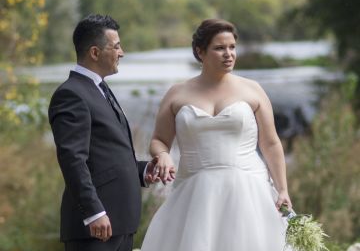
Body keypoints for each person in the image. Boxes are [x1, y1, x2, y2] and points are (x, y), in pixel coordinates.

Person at [141, 19, 293, 251]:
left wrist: (282, 189)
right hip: (193, 192)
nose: (228, 54)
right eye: (220, 48)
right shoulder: (177, 93)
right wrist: (162, 155)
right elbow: (159, 140)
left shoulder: (252, 90)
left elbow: (271, 143)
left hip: (248, 190)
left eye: (232, 47)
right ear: (200, 52)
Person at [48, 14, 158, 251]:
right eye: (116, 46)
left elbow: (107, 154)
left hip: (120, 223)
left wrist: (143, 170)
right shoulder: (71, 94)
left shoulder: (100, 88)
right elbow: (73, 159)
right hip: (95, 227)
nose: (122, 53)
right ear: (95, 53)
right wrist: (93, 211)